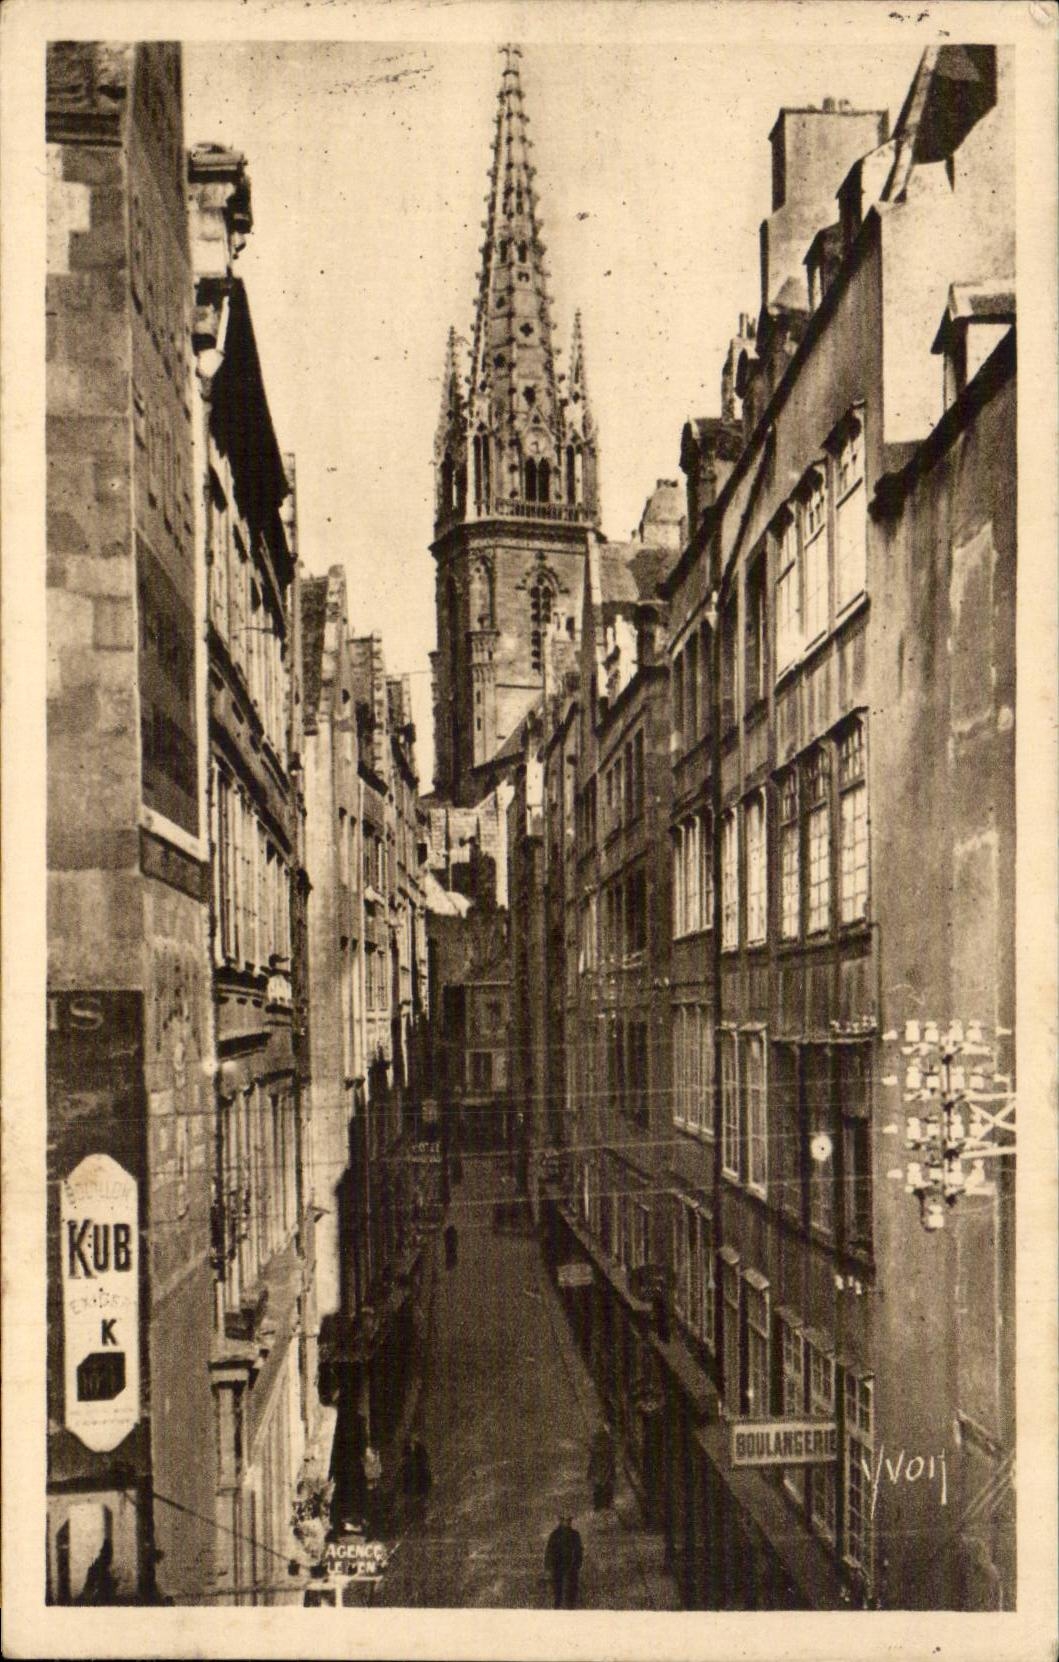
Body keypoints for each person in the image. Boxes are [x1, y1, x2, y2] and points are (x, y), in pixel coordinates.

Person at [544, 1513, 583, 1609]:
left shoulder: (575, 1534)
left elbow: (578, 1551)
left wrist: (577, 1564)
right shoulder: (555, 1534)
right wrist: (548, 1565)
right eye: (564, 1520)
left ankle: (570, 1608)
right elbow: (549, 1550)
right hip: (557, 1565)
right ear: (561, 1521)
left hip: (571, 1565)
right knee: (558, 1590)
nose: (567, 1522)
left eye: (568, 1520)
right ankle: (557, 1608)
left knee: (571, 1589)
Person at [588, 1420, 615, 1510]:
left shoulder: (608, 1439)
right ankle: (601, 1504)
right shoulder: (603, 1439)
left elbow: (593, 1450)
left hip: (602, 1465)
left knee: (603, 1484)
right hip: (600, 1465)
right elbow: (593, 1451)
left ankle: (604, 1504)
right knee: (601, 1484)